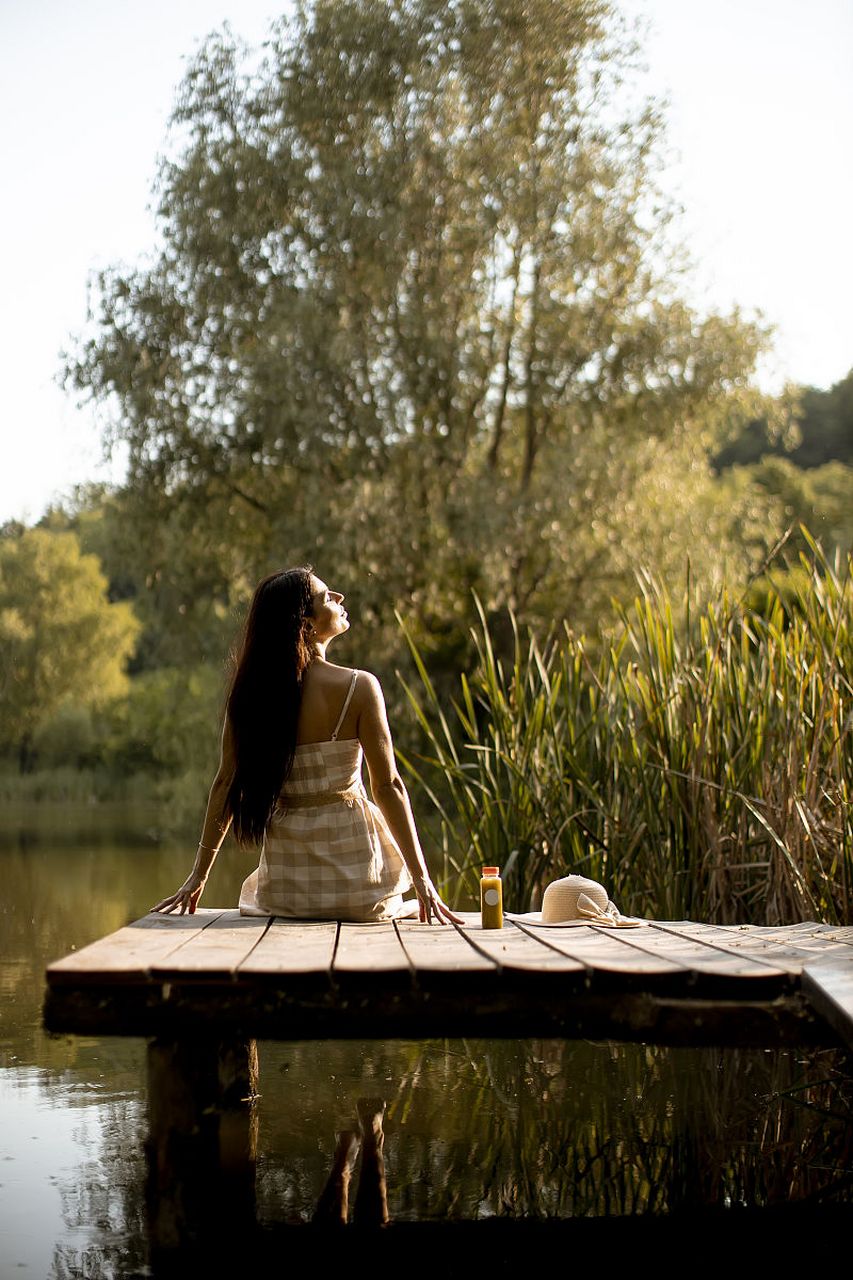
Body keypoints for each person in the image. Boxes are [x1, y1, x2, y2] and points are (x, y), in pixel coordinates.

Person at [152, 566, 462, 924]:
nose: (339, 598)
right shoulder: (359, 687)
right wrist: (422, 881)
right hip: (360, 889)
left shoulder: (251, 698)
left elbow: (225, 784)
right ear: (306, 624)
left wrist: (199, 875)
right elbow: (388, 786)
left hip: (288, 892)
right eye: (327, 597)